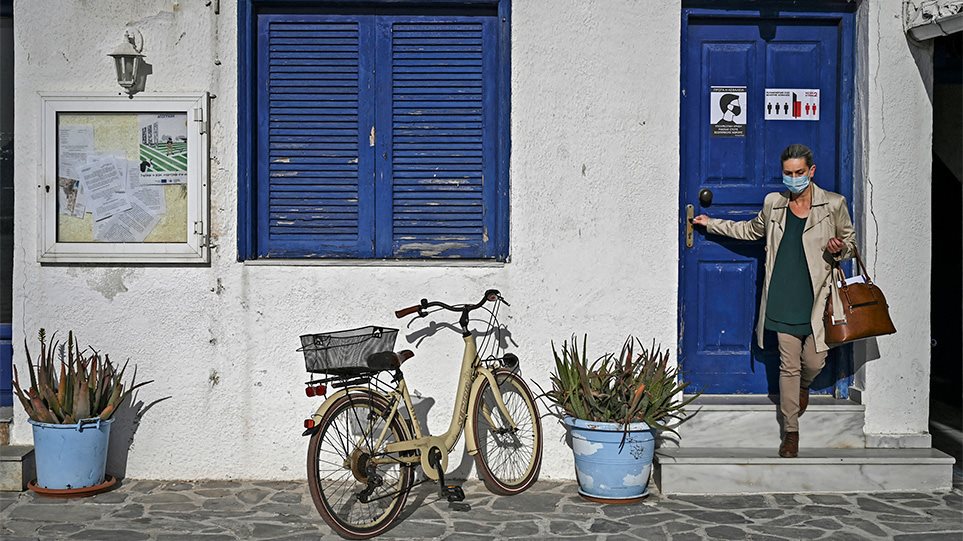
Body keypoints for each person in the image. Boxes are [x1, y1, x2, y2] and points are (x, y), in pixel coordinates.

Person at [691, 143, 856, 458]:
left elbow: (850, 242)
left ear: (811, 171)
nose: (793, 179)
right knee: (788, 365)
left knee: (814, 361)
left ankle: (803, 388)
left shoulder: (833, 204)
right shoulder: (774, 204)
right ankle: (791, 432)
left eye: (799, 172)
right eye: (788, 173)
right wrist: (711, 224)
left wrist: (840, 249)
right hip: (782, 294)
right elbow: (750, 230)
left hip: (818, 297)